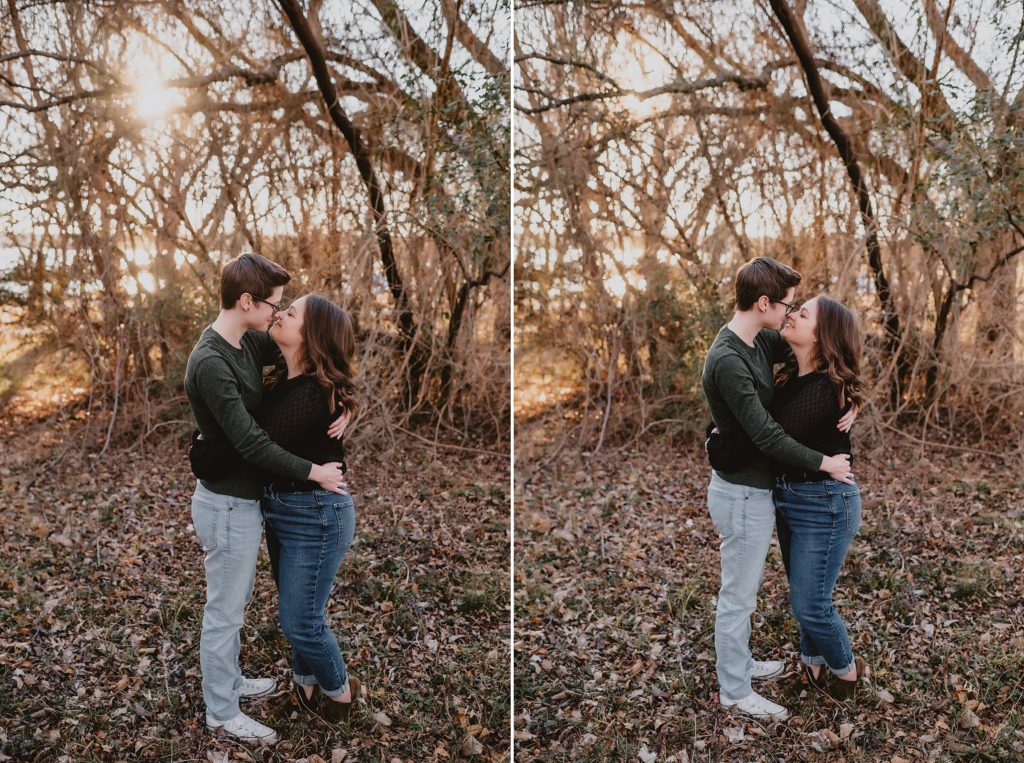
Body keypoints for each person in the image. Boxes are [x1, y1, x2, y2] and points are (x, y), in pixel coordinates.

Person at [184, 253, 348, 744]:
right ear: (246, 301)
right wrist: (313, 469)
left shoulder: (249, 341)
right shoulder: (211, 361)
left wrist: (344, 406)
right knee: (225, 613)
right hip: (227, 502)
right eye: (274, 305)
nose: (278, 313)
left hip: (249, 500)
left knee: (236, 608)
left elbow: (314, 368)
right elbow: (251, 442)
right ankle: (221, 711)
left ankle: (231, 682)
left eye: (285, 308)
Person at [701, 257, 854, 721]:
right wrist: (824, 461)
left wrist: (851, 399)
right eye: (787, 305)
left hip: (758, 490)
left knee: (745, 592)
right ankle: (734, 689)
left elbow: (820, 360)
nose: (790, 314)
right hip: (743, 492)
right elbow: (766, 434)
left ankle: (741, 663)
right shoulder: (728, 358)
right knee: (739, 597)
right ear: (764, 303)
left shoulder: (759, 339)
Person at [254, 294, 360, 725]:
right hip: (286, 509)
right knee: (295, 609)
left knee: (302, 621)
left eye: (290, 313)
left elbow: (255, 443)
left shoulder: (312, 393)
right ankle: (306, 686)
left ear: (310, 337)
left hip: (314, 515)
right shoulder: (291, 381)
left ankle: (340, 698)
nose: (279, 314)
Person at [770, 295, 866, 700]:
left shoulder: (824, 389)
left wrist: (723, 433)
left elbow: (768, 435)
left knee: (811, 604)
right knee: (803, 597)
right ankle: (811, 667)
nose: (791, 315)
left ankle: (846, 674)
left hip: (823, 503)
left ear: (822, 336)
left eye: (802, 314)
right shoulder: (792, 378)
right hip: (792, 498)